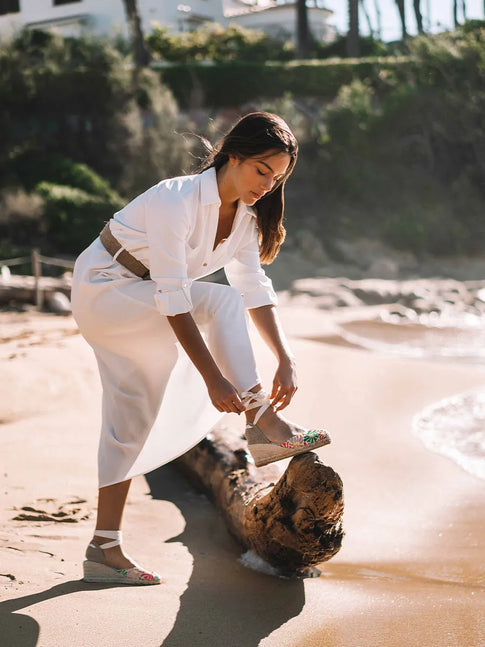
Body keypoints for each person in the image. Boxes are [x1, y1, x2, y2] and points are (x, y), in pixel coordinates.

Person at [71, 112, 330, 586]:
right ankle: (263, 423)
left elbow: (254, 286)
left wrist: (286, 359)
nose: (266, 186)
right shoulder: (178, 199)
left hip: (143, 300)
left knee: (132, 418)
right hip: (106, 289)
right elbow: (177, 295)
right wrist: (214, 377)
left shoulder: (247, 220)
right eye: (260, 171)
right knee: (218, 300)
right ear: (233, 155)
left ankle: (103, 546)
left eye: (276, 179)